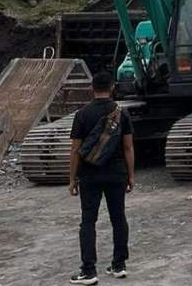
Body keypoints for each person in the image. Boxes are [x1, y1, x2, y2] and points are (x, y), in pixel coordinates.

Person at [68, 71, 135, 285]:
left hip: (89, 175)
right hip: (117, 173)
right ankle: (119, 265)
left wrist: (72, 179)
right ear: (112, 87)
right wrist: (130, 175)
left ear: (92, 88)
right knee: (118, 218)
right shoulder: (121, 114)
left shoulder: (82, 114)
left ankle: (89, 271)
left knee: (88, 221)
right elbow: (128, 147)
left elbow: (75, 150)